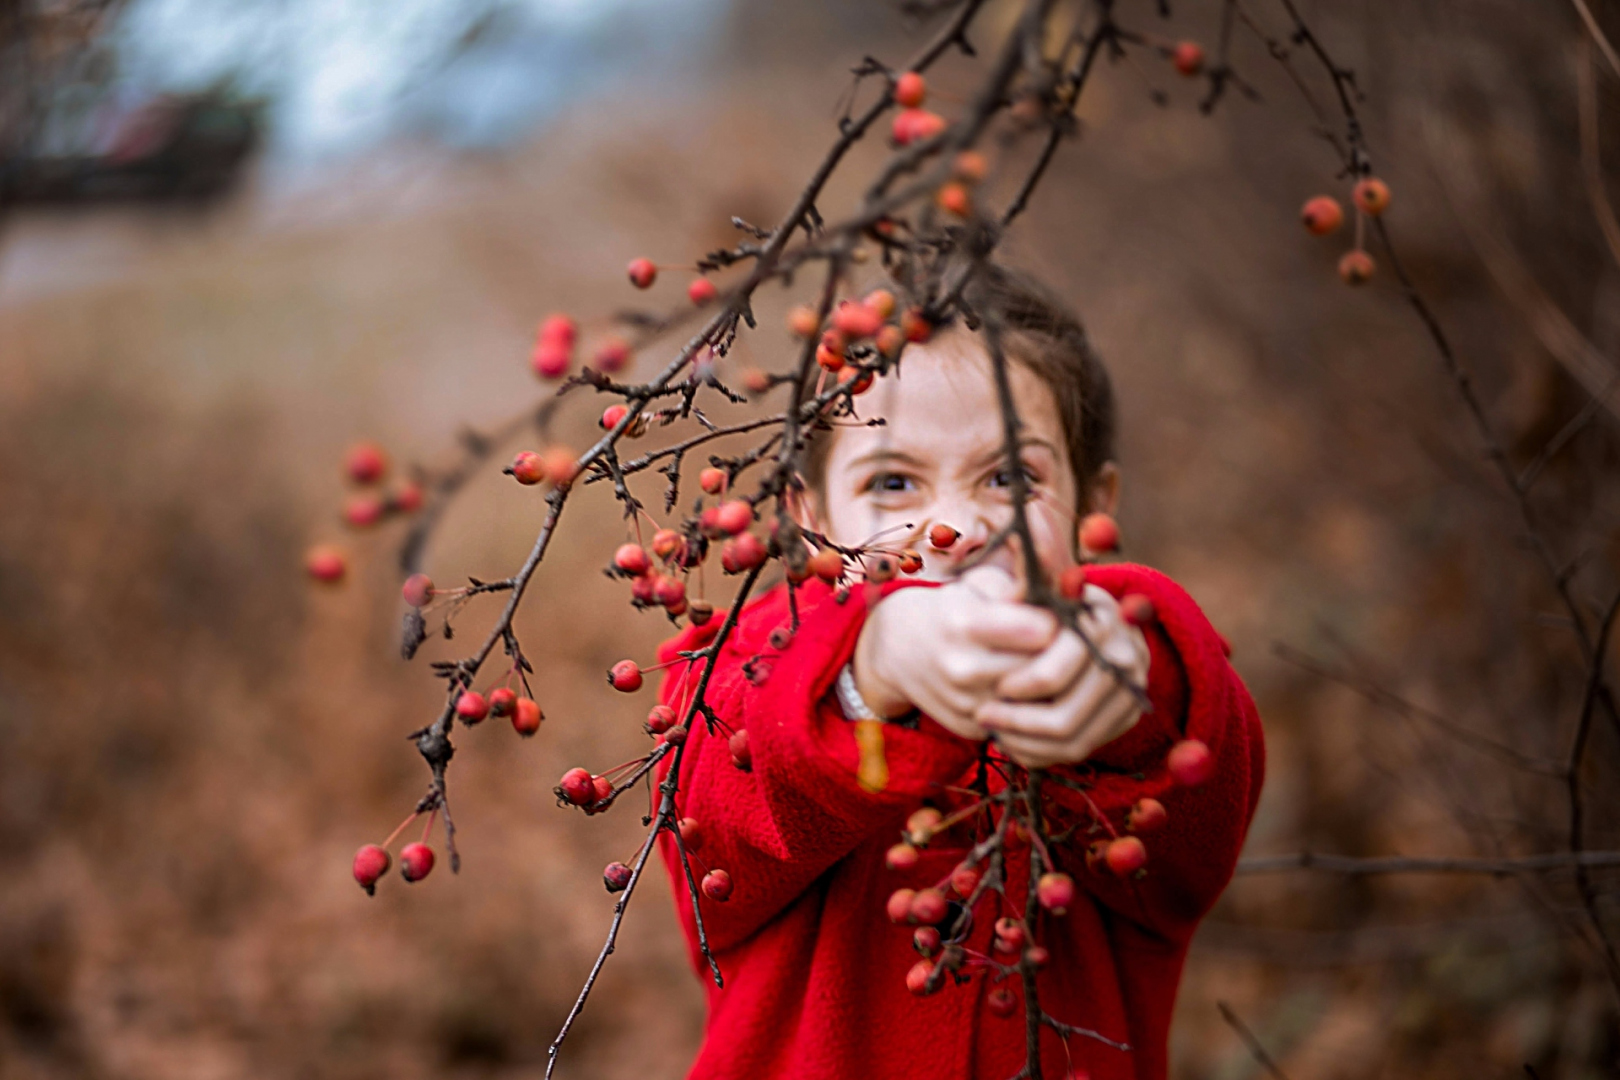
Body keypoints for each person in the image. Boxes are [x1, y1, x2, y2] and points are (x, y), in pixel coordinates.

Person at [652, 266, 1265, 1080]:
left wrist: (1127, 688)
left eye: (1011, 478)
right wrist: (870, 667)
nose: (957, 526)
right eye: (894, 481)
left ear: (1092, 509)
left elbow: (1197, 795)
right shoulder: (741, 673)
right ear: (812, 519)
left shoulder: (1131, 667)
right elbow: (722, 804)